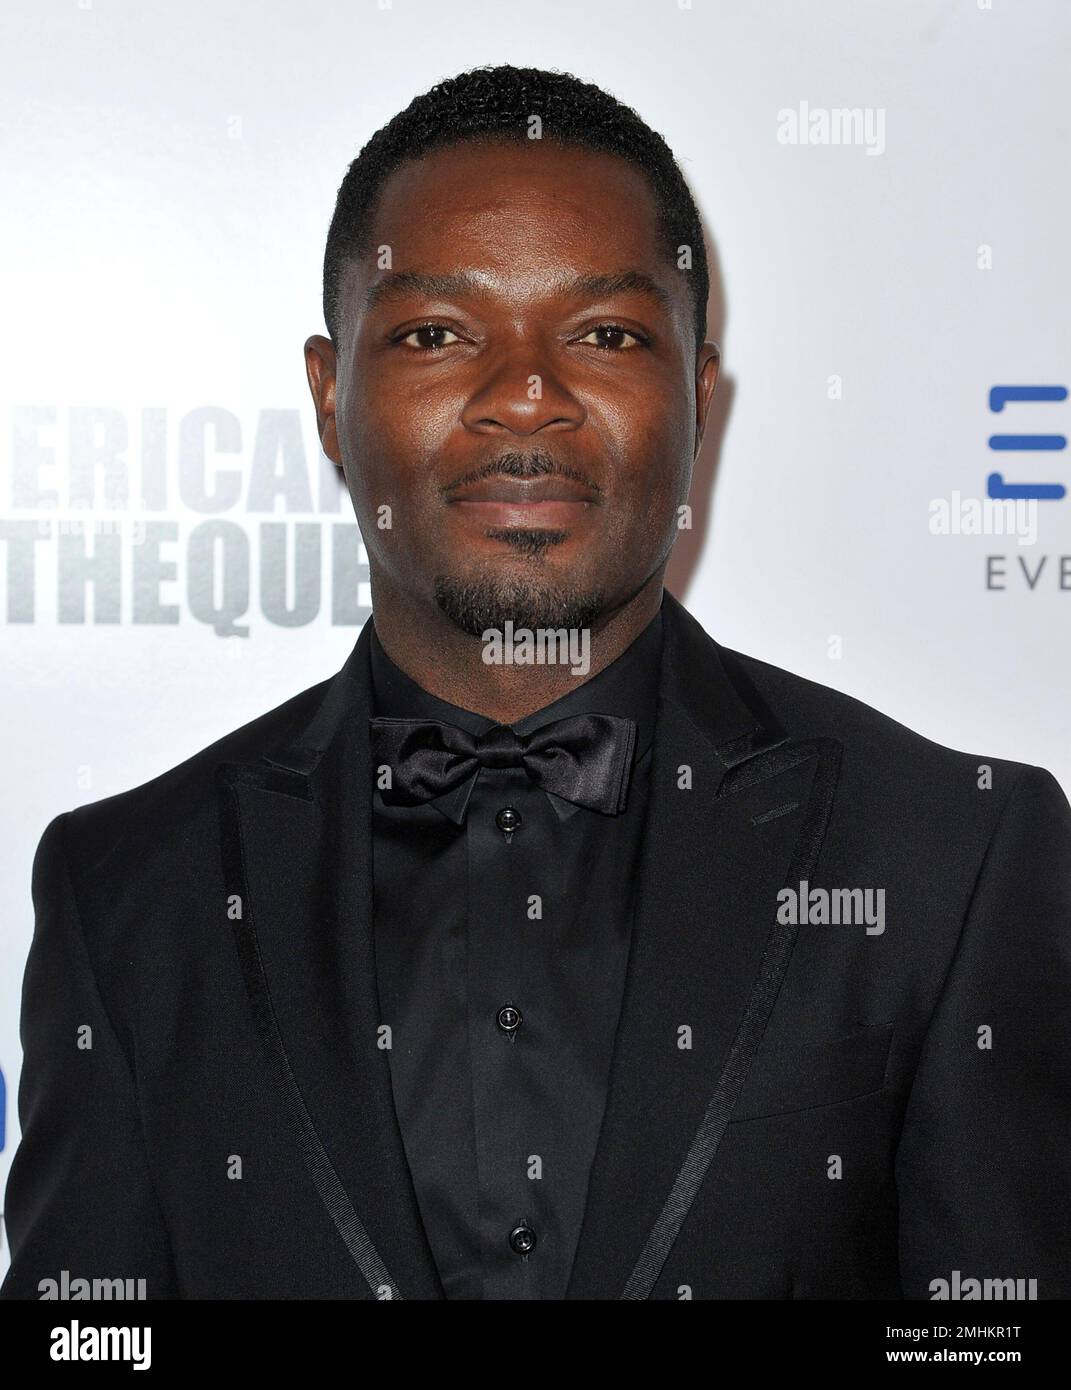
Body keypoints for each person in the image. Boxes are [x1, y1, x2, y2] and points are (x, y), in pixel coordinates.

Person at [3, 65, 1069, 1301]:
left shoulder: (953, 858)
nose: (524, 394)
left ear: (699, 397)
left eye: (605, 334)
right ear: (329, 397)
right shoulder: (131, 891)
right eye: (436, 334)